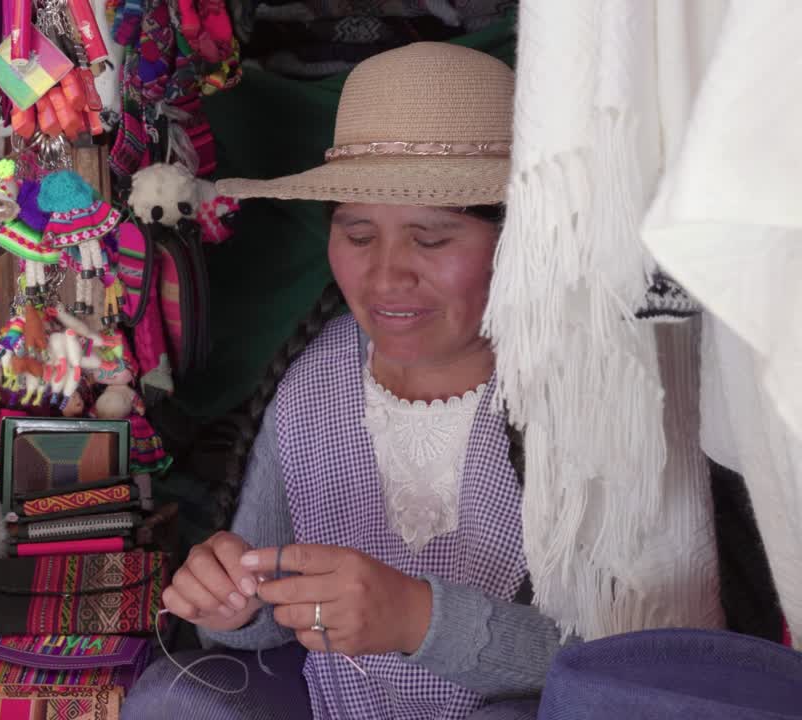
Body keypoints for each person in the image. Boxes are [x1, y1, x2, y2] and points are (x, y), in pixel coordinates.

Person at [124, 42, 570, 720]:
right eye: (358, 235)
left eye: (432, 238)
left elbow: (649, 661)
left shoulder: (588, 395)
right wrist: (234, 601)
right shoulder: (315, 380)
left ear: (520, 240)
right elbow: (262, 621)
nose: (386, 275)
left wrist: (420, 619)